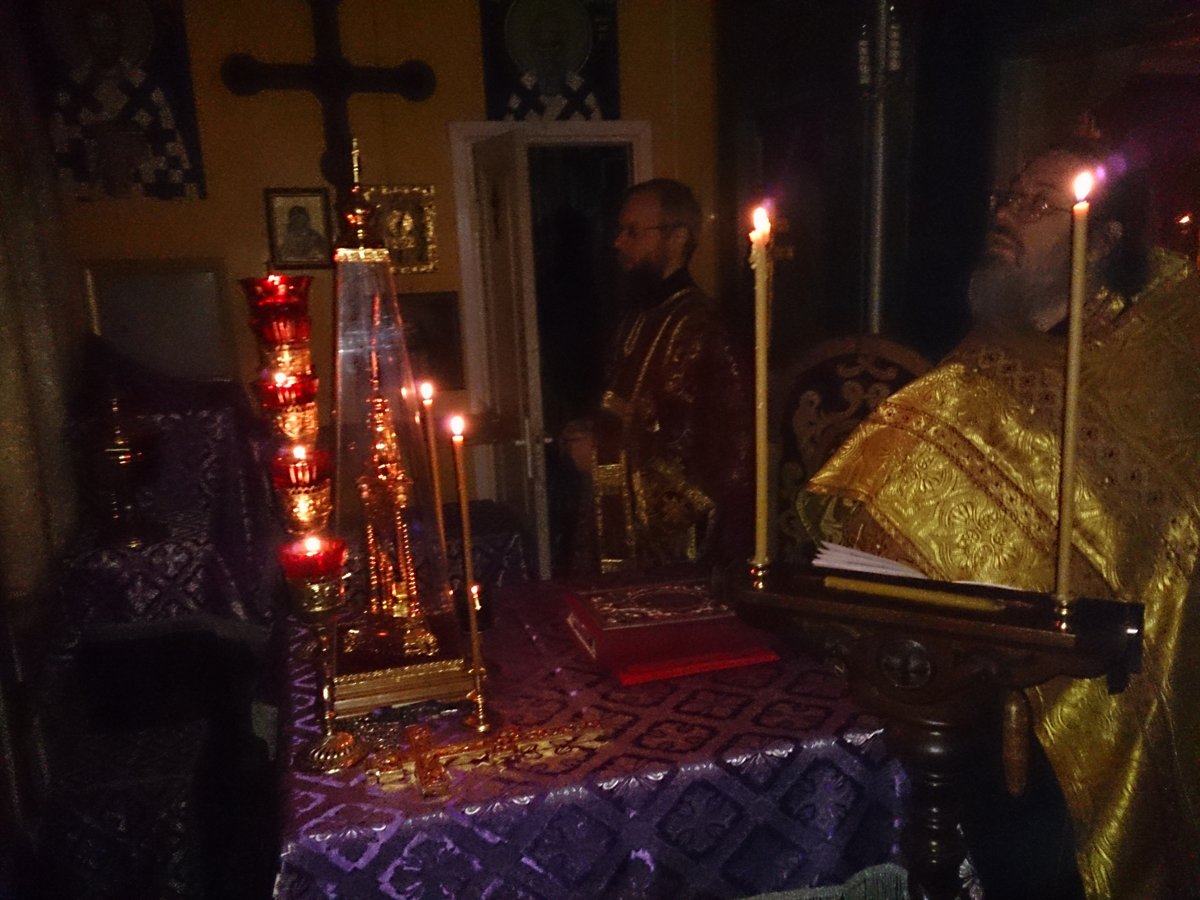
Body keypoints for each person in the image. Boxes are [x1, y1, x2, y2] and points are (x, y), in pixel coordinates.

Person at [803, 140, 1200, 898]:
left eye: (1036, 203)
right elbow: (906, 485)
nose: (1007, 214)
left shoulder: (1160, 355)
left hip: (1121, 691)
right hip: (991, 706)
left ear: (1102, 237)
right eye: (1008, 197)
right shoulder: (983, 364)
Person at [563, 178, 752, 576]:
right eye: (620, 230)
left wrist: (600, 457)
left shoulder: (703, 327)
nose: (618, 242)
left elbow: (718, 455)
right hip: (617, 530)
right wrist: (591, 431)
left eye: (633, 232)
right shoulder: (637, 316)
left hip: (671, 556)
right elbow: (633, 414)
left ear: (677, 237)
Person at [48, 0, 199, 199]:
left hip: (149, 197)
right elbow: (63, 154)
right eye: (95, 31)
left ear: (120, 33)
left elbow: (170, 149)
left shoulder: (146, 89)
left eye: (109, 30)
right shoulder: (71, 93)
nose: (103, 39)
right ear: (84, 36)